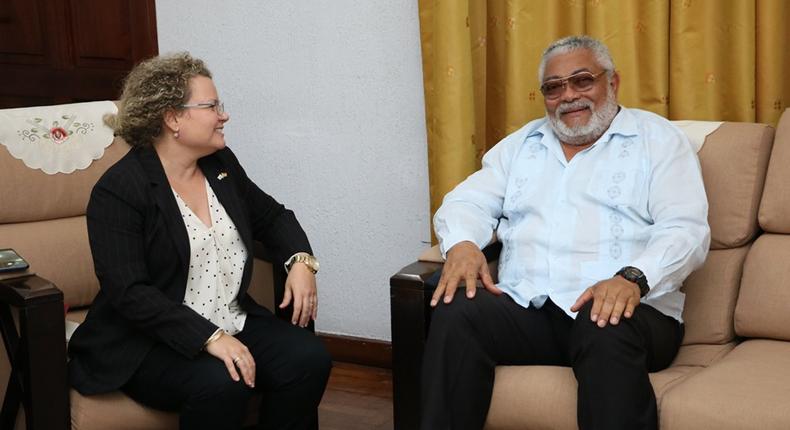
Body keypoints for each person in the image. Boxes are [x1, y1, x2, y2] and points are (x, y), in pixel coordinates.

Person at [421, 35, 710, 430]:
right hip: (532, 310)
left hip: (631, 314)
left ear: (613, 82)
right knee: (458, 308)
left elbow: (686, 229)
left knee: (601, 320)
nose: (569, 95)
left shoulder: (657, 141)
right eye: (554, 87)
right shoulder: (520, 146)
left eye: (582, 81)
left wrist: (633, 278)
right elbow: (464, 202)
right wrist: (465, 244)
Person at [68, 53, 331, 430]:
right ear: (173, 118)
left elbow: (273, 217)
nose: (223, 116)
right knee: (223, 383)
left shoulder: (220, 165)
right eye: (211, 106)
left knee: (308, 360)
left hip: (231, 317)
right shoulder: (120, 191)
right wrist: (208, 337)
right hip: (147, 342)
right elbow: (129, 291)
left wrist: (301, 261)